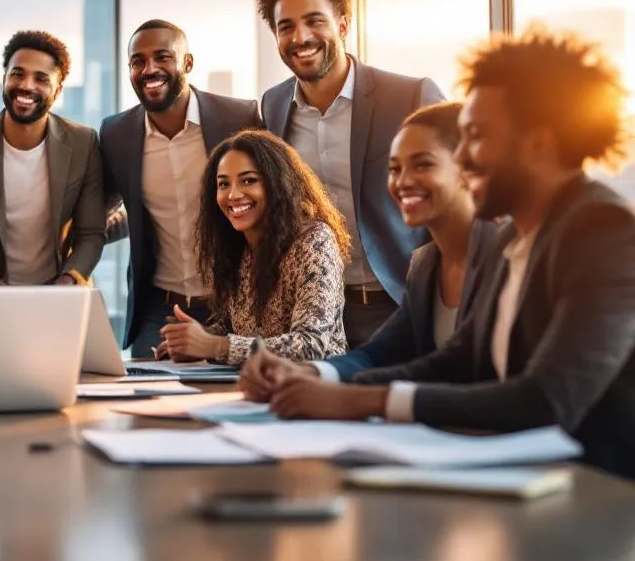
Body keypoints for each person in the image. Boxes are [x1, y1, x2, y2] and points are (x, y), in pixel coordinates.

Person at [262, 29, 635, 480]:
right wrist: (315, 381)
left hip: (599, 500)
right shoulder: (514, 238)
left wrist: (368, 400)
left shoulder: (602, 231)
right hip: (520, 481)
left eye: (475, 137)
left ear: (539, 143)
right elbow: (458, 360)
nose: (464, 157)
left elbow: (550, 397)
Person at [241, 102, 496, 396]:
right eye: (394, 169)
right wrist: (306, 372)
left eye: (423, 164)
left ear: (468, 166)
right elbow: (379, 353)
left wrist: (359, 400)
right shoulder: (425, 265)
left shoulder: (505, 255)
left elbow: (463, 374)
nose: (403, 182)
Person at [257, 0, 445, 348]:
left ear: (342, 26)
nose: (301, 37)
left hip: (400, 304)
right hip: (317, 313)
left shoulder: (410, 96)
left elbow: (460, 194)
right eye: (286, 27)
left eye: (314, 21)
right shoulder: (273, 106)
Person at [100, 19, 262, 356]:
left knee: (230, 404)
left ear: (187, 63)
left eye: (162, 57)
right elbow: (107, 211)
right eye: (137, 61)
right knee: (147, 405)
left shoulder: (238, 117)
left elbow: (269, 201)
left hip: (234, 304)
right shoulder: (117, 133)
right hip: (157, 312)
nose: (149, 69)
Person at [156, 130, 349, 366]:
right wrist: (194, 341)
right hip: (251, 387)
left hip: (314, 391)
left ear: (278, 183)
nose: (234, 194)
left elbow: (310, 345)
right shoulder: (239, 245)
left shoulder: (315, 242)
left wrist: (215, 346)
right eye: (224, 184)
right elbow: (234, 326)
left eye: (249, 180)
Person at [0, 30, 104, 286]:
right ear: (4, 78)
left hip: (63, 293)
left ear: (58, 89)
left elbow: (91, 234)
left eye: (41, 78)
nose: (26, 85)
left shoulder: (83, 144)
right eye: (17, 74)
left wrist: (64, 286)